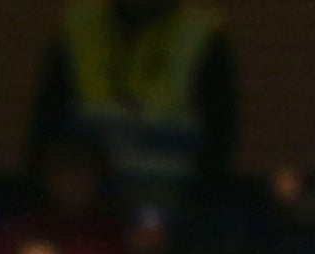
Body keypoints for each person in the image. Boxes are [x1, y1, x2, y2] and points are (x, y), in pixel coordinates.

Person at [31, 0, 236, 208]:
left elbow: (220, 132)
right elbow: (48, 122)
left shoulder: (199, 34)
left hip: (170, 201)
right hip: (87, 208)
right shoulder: (80, 28)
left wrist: (199, 207)